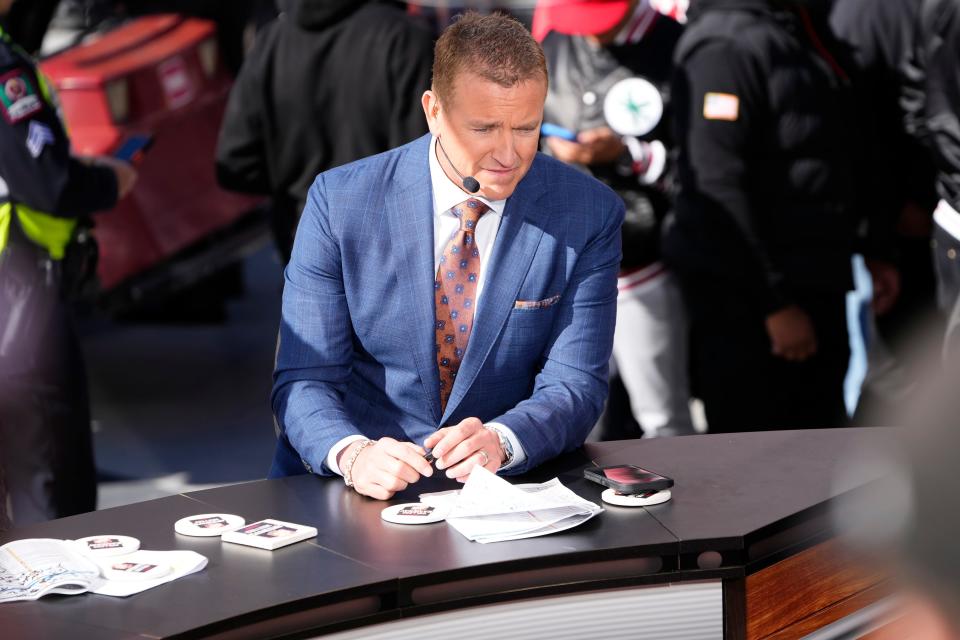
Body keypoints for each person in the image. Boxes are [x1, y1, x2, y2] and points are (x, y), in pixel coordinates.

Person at [271, 12, 624, 500]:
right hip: (349, 490)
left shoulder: (586, 211)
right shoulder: (342, 201)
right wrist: (352, 454)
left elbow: (575, 384)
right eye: (483, 128)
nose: (508, 153)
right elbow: (305, 376)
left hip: (504, 494)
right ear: (433, 110)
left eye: (527, 128)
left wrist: (503, 440)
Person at [664, 0, 896, 432]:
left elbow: (830, 154)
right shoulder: (724, 45)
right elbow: (717, 186)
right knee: (756, 464)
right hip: (757, 311)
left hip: (817, 284)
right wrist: (775, 305)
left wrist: (873, 248)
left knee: (820, 455)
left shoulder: (798, 27)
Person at [0, 0, 136, 524]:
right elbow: (48, 185)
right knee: (50, 470)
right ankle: (58, 596)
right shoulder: (4, 66)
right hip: (20, 288)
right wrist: (107, 179)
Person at [535, 0, 695, 439]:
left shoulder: (674, 44)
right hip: (568, 260)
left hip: (642, 254)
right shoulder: (556, 40)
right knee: (578, 419)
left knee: (663, 420)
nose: (589, 33)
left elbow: (703, 163)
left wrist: (626, 153)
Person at [216, 0, 435, 262]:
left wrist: (298, 189)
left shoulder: (270, 44)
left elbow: (234, 161)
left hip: (304, 241)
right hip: (390, 247)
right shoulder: (405, 38)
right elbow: (425, 162)